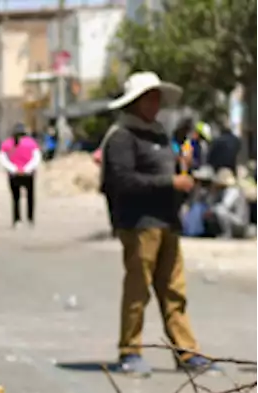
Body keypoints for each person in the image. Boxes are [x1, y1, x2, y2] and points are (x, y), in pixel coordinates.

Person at [102, 71, 211, 375]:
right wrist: (170, 182)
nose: (155, 103)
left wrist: (181, 176)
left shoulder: (159, 134)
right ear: (135, 102)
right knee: (138, 289)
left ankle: (186, 351)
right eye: (149, 97)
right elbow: (122, 181)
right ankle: (130, 350)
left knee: (174, 290)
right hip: (139, 224)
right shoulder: (122, 137)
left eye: (157, 97)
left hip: (167, 222)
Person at [0, 123, 42, 228]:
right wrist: (26, 169)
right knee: (30, 197)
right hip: (28, 174)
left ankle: (17, 220)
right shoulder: (31, 143)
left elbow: (2, 159)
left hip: (14, 174)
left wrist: (14, 169)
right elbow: (36, 158)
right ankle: (30, 219)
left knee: (15, 198)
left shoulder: (7, 143)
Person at [204, 168, 250, 239]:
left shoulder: (233, 191)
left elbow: (224, 207)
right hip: (234, 220)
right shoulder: (222, 191)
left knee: (220, 211)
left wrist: (211, 210)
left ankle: (227, 234)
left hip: (240, 223)